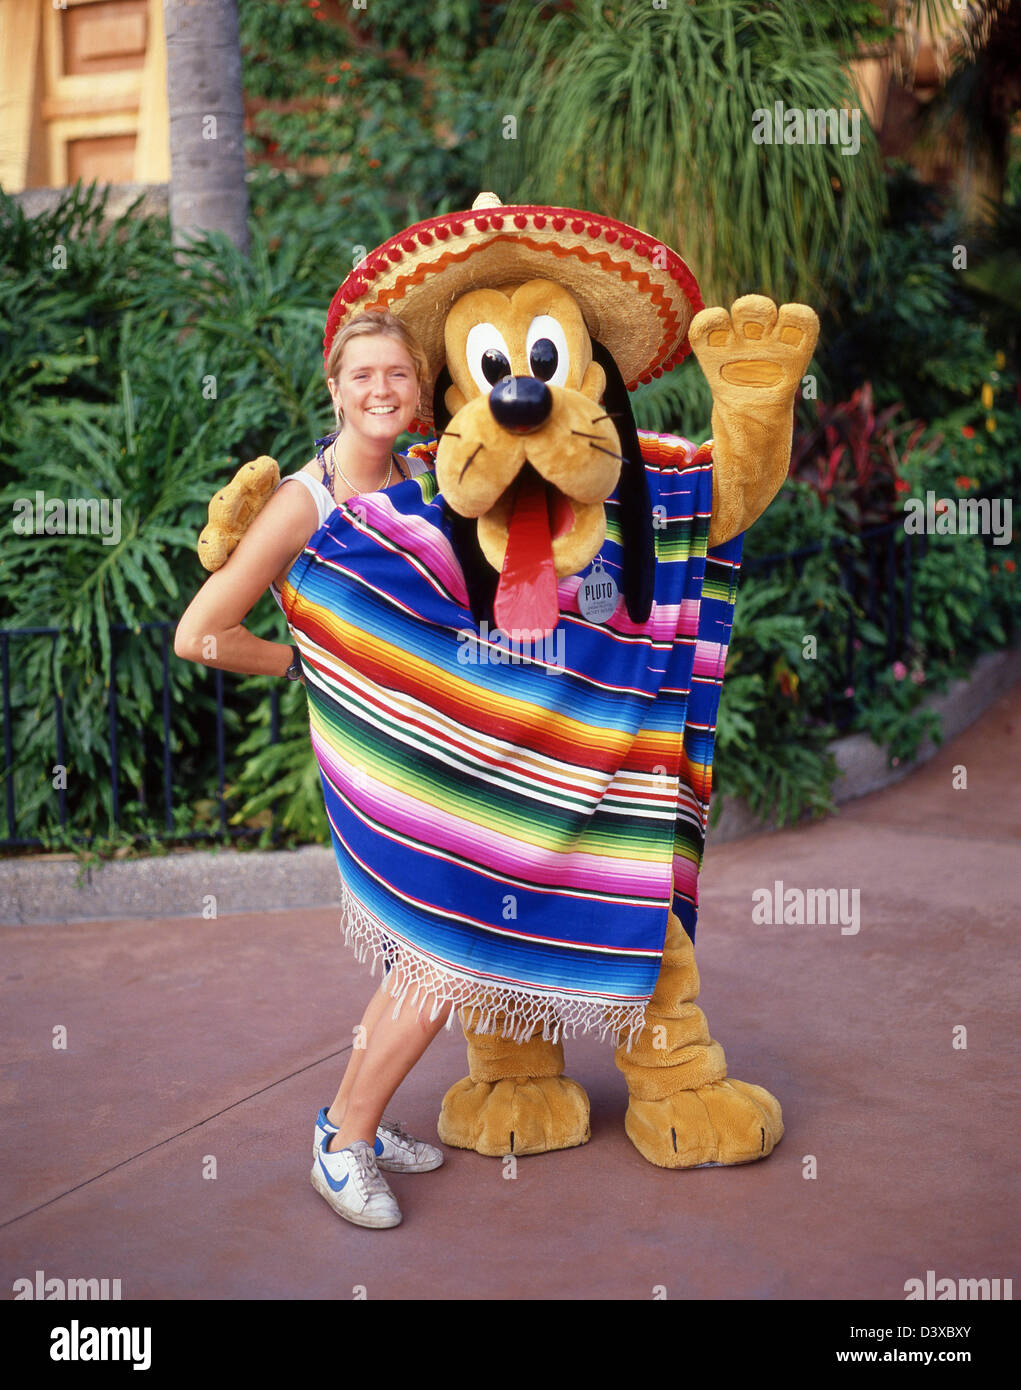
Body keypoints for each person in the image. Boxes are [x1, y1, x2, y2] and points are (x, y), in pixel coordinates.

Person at [175, 310, 451, 1231]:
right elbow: (199, 634)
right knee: (439, 958)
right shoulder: (306, 502)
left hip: (442, 754)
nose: (382, 391)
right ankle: (340, 1147)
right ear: (333, 387)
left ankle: (354, 1124)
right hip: (374, 764)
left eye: (399, 377)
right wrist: (297, 661)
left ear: (419, 390)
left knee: (422, 958)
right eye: (363, 375)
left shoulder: (422, 475)